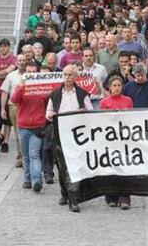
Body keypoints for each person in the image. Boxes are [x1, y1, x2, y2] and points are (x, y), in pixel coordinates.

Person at [46, 64, 93, 212]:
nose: (67, 78)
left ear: (75, 77)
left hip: (77, 135)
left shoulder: (82, 94)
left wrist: (83, 111)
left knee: (74, 166)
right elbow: (48, 113)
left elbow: (91, 113)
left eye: (70, 75)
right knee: (61, 166)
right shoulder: (55, 94)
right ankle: (64, 193)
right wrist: (51, 115)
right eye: (65, 75)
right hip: (60, 134)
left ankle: (74, 199)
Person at [11, 62, 47, 192]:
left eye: (33, 72)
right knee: (25, 155)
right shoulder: (20, 87)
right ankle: (27, 179)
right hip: (23, 125)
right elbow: (14, 99)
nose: (31, 75)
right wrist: (20, 87)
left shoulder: (42, 88)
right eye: (29, 72)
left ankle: (36, 180)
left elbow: (49, 101)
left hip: (37, 126)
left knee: (34, 154)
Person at [100, 75, 133, 209]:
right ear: (109, 87)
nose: (116, 88)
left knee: (124, 168)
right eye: (114, 85)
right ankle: (111, 197)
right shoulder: (104, 102)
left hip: (124, 138)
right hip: (110, 139)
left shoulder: (128, 100)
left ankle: (125, 198)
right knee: (110, 168)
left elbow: (132, 118)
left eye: (119, 85)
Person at [0, 54, 27, 167]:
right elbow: (5, 92)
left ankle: (28, 157)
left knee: (27, 133)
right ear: (16, 62)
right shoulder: (11, 76)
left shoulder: (32, 75)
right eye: (20, 60)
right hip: (14, 107)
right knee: (18, 133)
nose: (21, 62)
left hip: (28, 107)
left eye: (23, 60)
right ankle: (20, 157)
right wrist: (2, 108)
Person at [0, 39, 16, 152]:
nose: (3, 48)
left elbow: (10, 70)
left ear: (9, 47)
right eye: (1, 46)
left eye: (5, 46)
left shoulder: (13, 59)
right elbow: (5, 72)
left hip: (7, 92)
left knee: (7, 119)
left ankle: (6, 141)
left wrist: (0, 73)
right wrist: (3, 73)